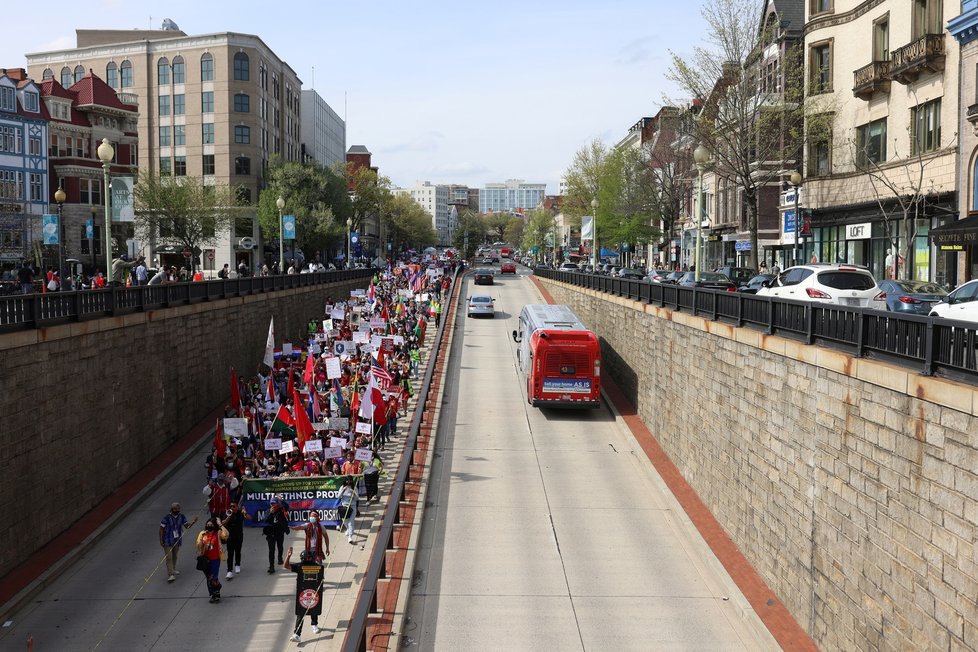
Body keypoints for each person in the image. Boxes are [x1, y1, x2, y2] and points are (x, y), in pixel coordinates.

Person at [284, 547, 325, 642]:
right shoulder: (300, 566)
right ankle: (297, 634)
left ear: (310, 558)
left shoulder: (317, 567)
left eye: (305, 558)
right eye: (302, 559)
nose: (303, 560)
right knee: (301, 612)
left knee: (314, 607)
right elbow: (286, 566)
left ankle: (314, 624)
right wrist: (288, 556)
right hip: (302, 592)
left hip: (313, 592)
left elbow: (321, 578)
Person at [159, 502, 198, 582]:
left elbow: (187, 526)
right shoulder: (166, 518)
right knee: (169, 557)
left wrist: (193, 522)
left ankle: (173, 568)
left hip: (177, 540)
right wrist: (161, 540)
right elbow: (161, 529)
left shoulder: (182, 516)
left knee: (175, 555)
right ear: (172, 509)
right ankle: (171, 574)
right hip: (168, 540)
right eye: (175, 509)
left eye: (178, 509)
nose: (177, 510)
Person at [195, 517, 228, 603]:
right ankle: (217, 588)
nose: (209, 526)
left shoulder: (218, 533)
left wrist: (220, 524)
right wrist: (202, 539)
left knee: (213, 577)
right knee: (209, 577)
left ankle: (215, 594)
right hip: (205, 560)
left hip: (215, 559)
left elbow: (227, 535)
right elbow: (198, 546)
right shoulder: (202, 533)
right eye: (208, 525)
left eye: (211, 525)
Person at [223, 502, 251, 579]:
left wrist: (245, 513)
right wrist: (228, 517)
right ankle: (229, 571)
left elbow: (249, 518)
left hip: (238, 536)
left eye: (234, 506)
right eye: (231, 506)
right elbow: (223, 524)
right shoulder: (228, 513)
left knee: (238, 551)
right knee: (230, 554)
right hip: (230, 537)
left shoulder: (240, 513)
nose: (232, 507)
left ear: (237, 507)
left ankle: (237, 564)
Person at [264, 500, 290, 573]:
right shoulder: (268, 511)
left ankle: (279, 558)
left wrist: (282, 500)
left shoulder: (281, 511)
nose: (273, 505)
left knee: (280, 546)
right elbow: (265, 520)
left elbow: (287, 507)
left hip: (279, 532)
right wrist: (271, 513)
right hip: (271, 533)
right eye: (271, 503)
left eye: (274, 503)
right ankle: (271, 566)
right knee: (271, 550)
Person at [337, 477, 358, 544]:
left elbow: (357, 499)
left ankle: (350, 537)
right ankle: (348, 530)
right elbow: (338, 496)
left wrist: (353, 493)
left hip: (352, 507)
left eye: (350, 480)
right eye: (347, 480)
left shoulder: (354, 488)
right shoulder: (342, 487)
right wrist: (343, 490)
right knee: (345, 520)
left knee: (351, 522)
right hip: (345, 507)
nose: (348, 482)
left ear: (351, 481)